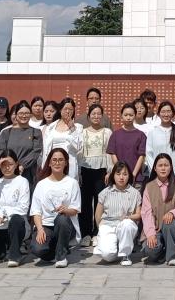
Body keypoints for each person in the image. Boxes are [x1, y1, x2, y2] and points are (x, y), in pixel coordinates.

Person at [30, 148, 82, 268]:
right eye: (54, 160)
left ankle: (61, 256)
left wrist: (66, 210)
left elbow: (75, 209)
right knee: (38, 250)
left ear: (66, 163)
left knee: (62, 219)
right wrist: (40, 229)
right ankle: (57, 249)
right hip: (46, 225)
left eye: (60, 160)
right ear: (49, 163)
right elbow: (36, 211)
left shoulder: (72, 183)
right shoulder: (41, 184)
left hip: (66, 225)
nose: (57, 163)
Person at [141, 153, 175, 265]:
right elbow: (146, 213)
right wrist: (151, 234)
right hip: (156, 228)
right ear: (155, 168)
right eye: (160, 165)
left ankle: (172, 256)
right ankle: (163, 250)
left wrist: (172, 213)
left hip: (173, 227)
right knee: (150, 251)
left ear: (171, 167)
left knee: (168, 223)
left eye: (166, 165)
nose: (163, 168)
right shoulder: (149, 187)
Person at [94, 162, 142, 265]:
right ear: (113, 175)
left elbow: (139, 215)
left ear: (129, 176)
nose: (121, 177)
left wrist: (129, 217)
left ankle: (125, 255)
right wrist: (101, 228)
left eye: (125, 174)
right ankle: (114, 248)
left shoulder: (135, 193)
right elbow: (98, 215)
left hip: (125, 225)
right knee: (107, 255)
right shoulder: (105, 193)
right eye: (118, 174)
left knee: (127, 224)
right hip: (108, 225)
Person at [79, 103, 113, 247]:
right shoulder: (82, 132)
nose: (96, 116)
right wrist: (79, 172)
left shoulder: (107, 132)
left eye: (99, 114)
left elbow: (110, 152)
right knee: (85, 202)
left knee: (100, 202)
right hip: (85, 169)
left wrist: (110, 170)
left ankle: (97, 232)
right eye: (93, 114)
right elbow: (79, 152)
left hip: (102, 170)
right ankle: (86, 234)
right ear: (88, 116)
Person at [0, 100, 44, 192]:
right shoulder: (6, 132)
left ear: (30, 115)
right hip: (8, 171)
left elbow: (36, 151)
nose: (24, 116)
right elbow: (0, 150)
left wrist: (22, 165)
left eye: (26, 113)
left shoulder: (36, 132)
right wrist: (11, 165)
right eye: (21, 113)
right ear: (16, 115)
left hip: (28, 172)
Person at [42, 97, 83, 180]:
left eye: (70, 109)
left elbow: (79, 147)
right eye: (65, 109)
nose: (68, 111)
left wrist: (72, 128)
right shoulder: (50, 127)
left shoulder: (78, 127)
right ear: (60, 110)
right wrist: (44, 166)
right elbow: (45, 149)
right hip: (54, 163)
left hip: (69, 162)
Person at [106, 103, 147, 186]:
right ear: (121, 116)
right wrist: (121, 172)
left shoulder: (141, 135)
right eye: (126, 115)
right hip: (119, 178)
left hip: (136, 178)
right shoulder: (115, 134)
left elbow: (141, 156)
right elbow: (113, 154)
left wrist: (133, 174)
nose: (128, 118)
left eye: (131, 115)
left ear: (135, 115)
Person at [146, 100, 175, 178]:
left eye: (168, 111)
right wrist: (155, 173)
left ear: (173, 113)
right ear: (158, 114)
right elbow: (149, 155)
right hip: (157, 177)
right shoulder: (153, 132)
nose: (166, 114)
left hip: (174, 176)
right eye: (163, 112)